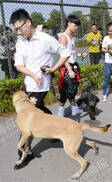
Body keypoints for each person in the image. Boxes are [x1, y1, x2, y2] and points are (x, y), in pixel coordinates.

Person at [10, 8, 71, 169]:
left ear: (28, 22)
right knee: (41, 110)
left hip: (41, 86)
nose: (19, 32)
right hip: (28, 84)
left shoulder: (45, 39)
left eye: (20, 28)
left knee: (26, 121)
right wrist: (33, 74)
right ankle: (56, 129)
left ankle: (25, 153)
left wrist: (53, 69)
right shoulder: (20, 42)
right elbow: (18, 65)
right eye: (16, 30)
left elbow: (65, 53)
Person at [56, 15, 85, 117]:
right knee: (66, 90)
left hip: (73, 65)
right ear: (68, 23)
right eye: (75, 25)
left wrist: (80, 55)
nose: (76, 27)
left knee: (73, 89)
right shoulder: (63, 37)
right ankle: (60, 111)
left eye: (77, 25)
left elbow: (71, 53)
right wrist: (69, 70)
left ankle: (74, 109)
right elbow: (63, 56)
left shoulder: (72, 37)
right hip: (66, 67)